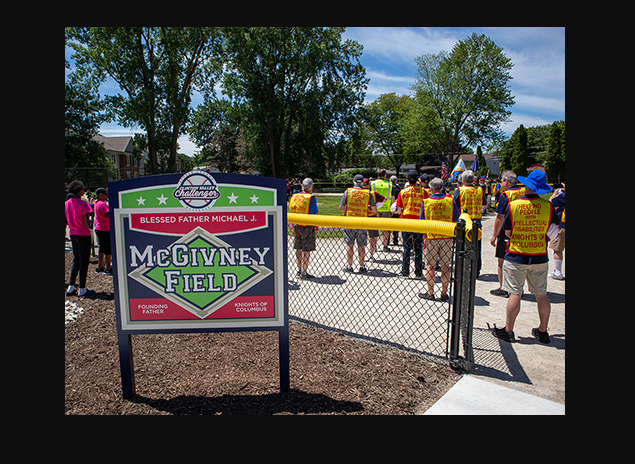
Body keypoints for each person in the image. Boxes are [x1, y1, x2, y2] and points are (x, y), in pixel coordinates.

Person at [493, 169, 560, 344]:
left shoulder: (514, 206)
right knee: (542, 294)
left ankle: (508, 330)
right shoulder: (548, 206)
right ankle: (543, 331)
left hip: (517, 255)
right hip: (539, 255)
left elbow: (507, 232)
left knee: (515, 293)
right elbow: (553, 230)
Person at [419, 177, 459, 301]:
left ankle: (430, 293)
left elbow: (422, 221)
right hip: (446, 236)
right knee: (445, 266)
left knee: (430, 266)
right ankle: (444, 293)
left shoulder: (426, 202)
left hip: (431, 237)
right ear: (442, 188)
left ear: (430, 189)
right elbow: (456, 218)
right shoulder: (450, 201)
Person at [489, 170, 525, 298]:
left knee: (502, 260)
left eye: (501, 181)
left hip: (507, 232)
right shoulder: (525, 192)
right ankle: (518, 287)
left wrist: (494, 235)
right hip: (523, 231)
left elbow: (500, 216)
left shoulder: (506, 195)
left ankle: (504, 288)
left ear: (507, 182)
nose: (500, 184)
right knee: (520, 261)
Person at [339, 174, 377, 273]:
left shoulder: (348, 192)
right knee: (361, 245)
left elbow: (341, 208)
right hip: (362, 222)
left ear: (354, 182)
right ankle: (362, 266)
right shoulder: (368, 193)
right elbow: (374, 210)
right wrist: (366, 207)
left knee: (349, 244)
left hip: (350, 222)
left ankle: (349, 266)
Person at [65, 180, 96, 298]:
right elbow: (87, 223)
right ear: (79, 191)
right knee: (84, 262)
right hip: (83, 234)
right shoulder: (84, 204)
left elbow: (66, 220)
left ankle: (71, 285)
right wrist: (90, 221)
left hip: (73, 233)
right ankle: (82, 288)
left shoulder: (66, 203)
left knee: (76, 260)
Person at [396, 170, 425, 278]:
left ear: (407, 179)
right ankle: (418, 272)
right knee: (418, 248)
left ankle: (405, 271)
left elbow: (399, 210)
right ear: (418, 179)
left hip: (406, 222)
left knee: (407, 247)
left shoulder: (403, 192)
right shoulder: (423, 192)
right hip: (419, 222)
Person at [454, 170, 483, 277]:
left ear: (462, 180)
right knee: (476, 248)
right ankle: (475, 271)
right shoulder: (479, 190)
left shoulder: (460, 190)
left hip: (464, 222)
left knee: (462, 248)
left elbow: (455, 205)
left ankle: (462, 271)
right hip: (477, 221)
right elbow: (484, 203)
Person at [289, 178, 319, 279]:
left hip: (297, 224)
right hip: (308, 225)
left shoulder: (295, 196)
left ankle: (298, 270)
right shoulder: (311, 198)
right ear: (311, 187)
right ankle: (304, 272)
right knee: (306, 249)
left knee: (298, 248)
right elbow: (316, 213)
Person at [370, 169, 395, 252]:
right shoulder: (389, 184)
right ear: (385, 175)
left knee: (374, 228)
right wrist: (392, 209)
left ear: (378, 175)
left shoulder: (372, 183)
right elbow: (393, 198)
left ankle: (375, 246)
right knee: (386, 229)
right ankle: (385, 246)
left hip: (375, 209)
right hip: (386, 209)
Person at [364, 177, 387, 262]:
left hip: (361, 217)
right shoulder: (373, 193)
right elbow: (384, 199)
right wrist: (376, 206)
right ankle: (371, 254)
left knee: (361, 237)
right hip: (372, 217)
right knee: (373, 237)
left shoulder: (359, 193)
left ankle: (362, 255)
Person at [93, 187, 112, 275]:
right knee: (108, 249)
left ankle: (100, 266)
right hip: (105, 229)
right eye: (105, 194)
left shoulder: (96, 203)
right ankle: (108, 267)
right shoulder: (103, 204)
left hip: (98, 228)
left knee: (101, 248)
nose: (106, 196)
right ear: (101, 195)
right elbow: (108, 214)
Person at [548, 183, 565, 280]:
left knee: (557, 249)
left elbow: (551, 202)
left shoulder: (562, 196)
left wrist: (555, 194)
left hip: (562, 225)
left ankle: (558, 272)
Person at [389, 175, 401, 246]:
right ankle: (395, 240)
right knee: (395, 225)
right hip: (396, 207)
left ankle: (386, 241)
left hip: (388, 207)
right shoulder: (398, 188)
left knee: (387, 226)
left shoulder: (388, 187)